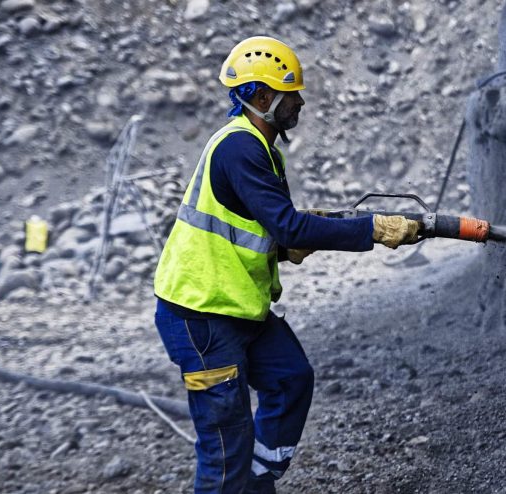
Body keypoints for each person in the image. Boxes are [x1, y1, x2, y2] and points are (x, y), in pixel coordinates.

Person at [151, 36, 419, 493]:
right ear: (261, 97)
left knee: (291, 378)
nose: (299, 101)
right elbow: (290, 227)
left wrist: (283, 243)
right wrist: (370, 229)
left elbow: (267, 227)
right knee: (224, 447)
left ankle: (256, 482)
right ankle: (241, 481)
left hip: (235, 306)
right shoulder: (240, 148)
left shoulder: (259, 147)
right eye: (290, 92)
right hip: (203, 316)